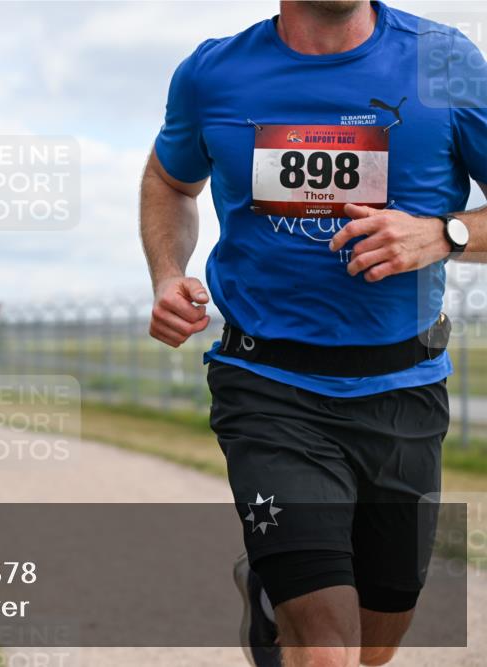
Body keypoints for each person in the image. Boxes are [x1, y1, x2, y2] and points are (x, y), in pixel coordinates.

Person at [140, 2, 485, 666]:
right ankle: (291, 606)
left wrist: (444, 233)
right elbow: (170, 180)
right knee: (327, 647)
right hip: (267, 385)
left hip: (402, 387)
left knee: (375, 641)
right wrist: (165, 273)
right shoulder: (213, 73)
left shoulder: (446, 61)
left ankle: (270, 596)